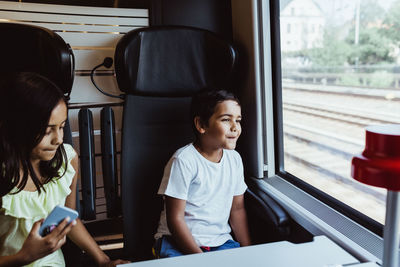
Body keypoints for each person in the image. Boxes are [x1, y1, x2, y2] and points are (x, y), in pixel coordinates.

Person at [0, 72, 129, 267]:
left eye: (61, 127)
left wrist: (104, 261)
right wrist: (24, 256)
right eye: (47, 131)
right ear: (18, 127)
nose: (59, 139)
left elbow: (68, 220)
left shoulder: (66, 160)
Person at [154, 89, 251, 257]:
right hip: (176, 242)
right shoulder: (184, 160)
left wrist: (249, 250)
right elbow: (175, 219)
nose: (235, 127)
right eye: (226, 119)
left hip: (219, 242)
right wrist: (201, 259)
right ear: (201, 125)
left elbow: (237, 209)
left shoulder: (234, 159)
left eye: (238, 120)